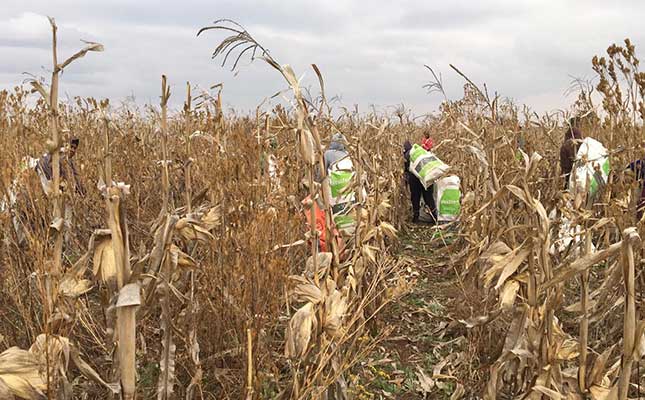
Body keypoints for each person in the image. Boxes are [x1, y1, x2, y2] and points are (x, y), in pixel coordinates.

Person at [404, 140, 436, 223]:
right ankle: (434, 217)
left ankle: (416, 217)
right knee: (429, 198)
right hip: (426, 177)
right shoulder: (422, 153)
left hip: (414, 179)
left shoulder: (407, 155)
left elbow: (407, 170)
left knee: (415, 198)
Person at [559, 119, 583, 190]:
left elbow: (564, 166)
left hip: (570, 172)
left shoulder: (566, 143)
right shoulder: (578, 135)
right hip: (579, 171)